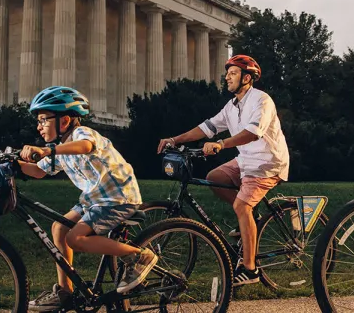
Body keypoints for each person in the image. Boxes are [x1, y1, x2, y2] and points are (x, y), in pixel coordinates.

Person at [17, 86, 157, 312]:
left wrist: (47, 151)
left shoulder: (83, 135)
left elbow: (86, 147)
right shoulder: (60, 149)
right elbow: (38, 171)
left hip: (117, 198)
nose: (39, 126)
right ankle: (65, 292)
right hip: (94, 199)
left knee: (75, 238)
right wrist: (13, 163)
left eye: (44, 119)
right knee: (58, 228)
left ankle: (139, 256)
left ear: (64, 121)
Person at [157, 54, 290, 287]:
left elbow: (253, 132)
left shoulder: (262, 100)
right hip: (246, 160)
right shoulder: (232, 106)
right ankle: (251, 220)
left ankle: (250, 270)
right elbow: (207, 127)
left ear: (247, 78)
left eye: (233, 73)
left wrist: (222, 144)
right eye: (227, 73)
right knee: (215, 177)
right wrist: (175, 139)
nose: (227, 77)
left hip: (268, 163)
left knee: (241, 205)